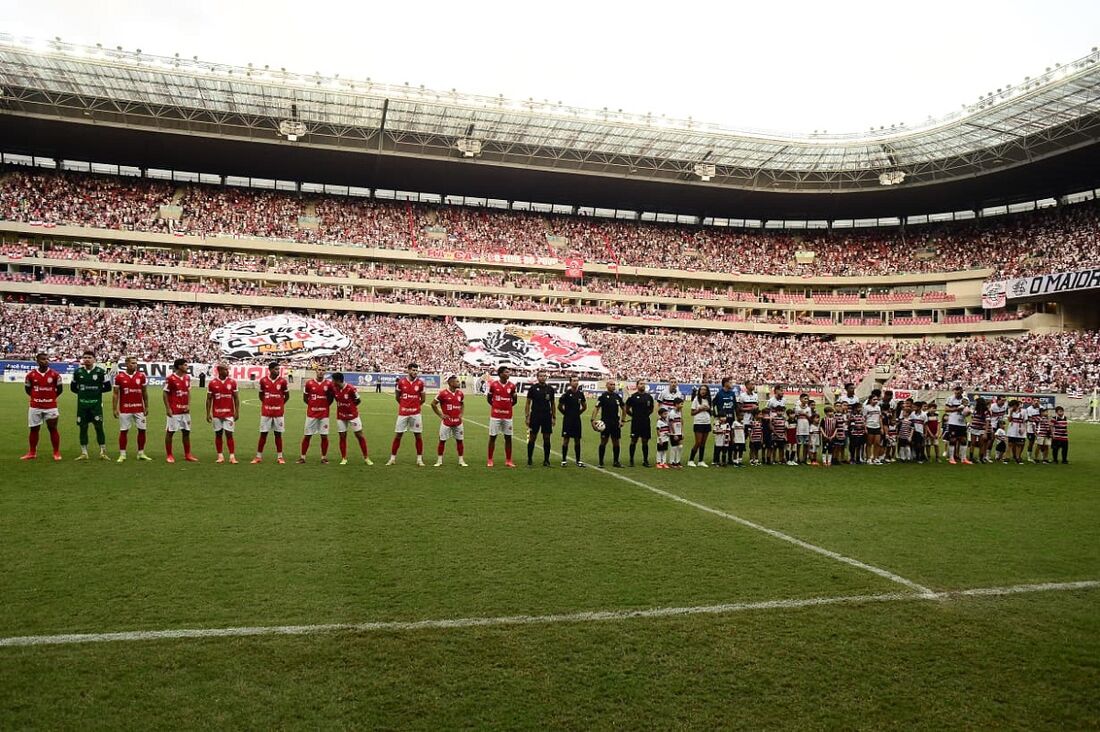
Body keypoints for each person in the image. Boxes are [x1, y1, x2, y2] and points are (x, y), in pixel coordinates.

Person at [21, 352, 63, 461]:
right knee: (34, 429)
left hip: (51, 406)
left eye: (47, 359)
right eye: (43, 359)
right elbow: (28, 390)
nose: (46, 361)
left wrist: (50, 398)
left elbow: (60, 390)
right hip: (35, 406)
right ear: (38, 361)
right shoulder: (30, 375)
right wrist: (36, 397)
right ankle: (32, 452)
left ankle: (56, 452)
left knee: (53, 428)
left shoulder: (55, 375)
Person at [70, 350, 111, 460]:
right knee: (83, 428)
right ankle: (84, 453)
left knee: (99, 427)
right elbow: (73, 387)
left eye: (89, 357)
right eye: (85, 357)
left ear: (94, 359)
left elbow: (108, 387)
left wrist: (96, 391)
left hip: (96, 405)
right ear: (82, 359)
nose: (87, 359)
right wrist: (83, 393)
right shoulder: (77, 372)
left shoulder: (101, 372)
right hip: (82, 405)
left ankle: (103, 452)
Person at [113, 355, 151, 462]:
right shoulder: (119, 377)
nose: (135, 365)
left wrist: (146, 406)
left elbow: (144, 392)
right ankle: (122, 454)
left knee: (142, 430)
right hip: (125, 409)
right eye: (132, 363)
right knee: (124, 431)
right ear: (126, 364)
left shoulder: (141, 376)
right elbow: (115, 394)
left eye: (136, 363)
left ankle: (141, 453)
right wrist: (114, 408)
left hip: (139, 408)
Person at [388, 363, 427, 466]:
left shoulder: (420, 383)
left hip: (415, 413)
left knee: (418, 436)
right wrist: (404, 405)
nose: (415, 372)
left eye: (416, 370)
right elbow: (397, 397)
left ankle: (419, 459)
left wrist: (415, 406)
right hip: (403, 413)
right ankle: (392, 458)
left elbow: (423, 399)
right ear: (408, 370)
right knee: (398, 435)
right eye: (413, 370)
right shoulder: (401, 382)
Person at [253, 362, 289, 464]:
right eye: (276, 369)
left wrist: (280, 405)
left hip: (278, 413)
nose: (278, 371)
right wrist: (266, 404)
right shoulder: (263, 381)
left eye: (279, 369)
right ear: (270, 369)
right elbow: (261, 395)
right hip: (266, 413)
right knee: (263, 434)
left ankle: (280, 457)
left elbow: (287, 396)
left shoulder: (283, 381)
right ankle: (258, 456)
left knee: (278, 435)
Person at [332, 373, 372, 465]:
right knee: (342, 436)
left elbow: (358, 400)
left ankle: (366, 458)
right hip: (341, 416)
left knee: (359, 435)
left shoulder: (351, 388)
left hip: (353, 416)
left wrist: (351, 407)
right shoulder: (334, 389)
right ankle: (344, 458)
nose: (332, 382)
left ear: (338, 380)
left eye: (333, 380)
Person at [163, 358, 197, 463]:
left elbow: (188, 392)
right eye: (185, 365)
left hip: (185, 411)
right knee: (170, 432)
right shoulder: (170, 378)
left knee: (186, 432)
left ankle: (188, 454)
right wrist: (168, 408)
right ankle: (169, 455)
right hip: (174, 410)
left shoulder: (187, 378)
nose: (187, 367)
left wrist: (188, 405)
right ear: (179, 366)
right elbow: (165, 393)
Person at [299, 366, 333, 464]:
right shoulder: (309, 383)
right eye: (319, 370)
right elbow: (305, 398)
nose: (321, 372)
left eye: (323, 370)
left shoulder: (329, 384)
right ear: (316, 371)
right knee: (307, 436)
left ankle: (323, 457)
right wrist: (312, 406)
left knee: (324, 436)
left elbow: (331, 399)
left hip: (324, 415)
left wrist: (325, 406)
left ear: (325, 372)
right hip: (311, 414)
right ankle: (302, 457)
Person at [206, 363, 240, 464]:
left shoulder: (232, 382)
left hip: (229, 414)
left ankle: (232, 456)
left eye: (227, 370)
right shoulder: (212, 383)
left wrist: (237, 411)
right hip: (217, 414)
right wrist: (208, 413)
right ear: (220, 371)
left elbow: (236, 398)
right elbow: (208, 399)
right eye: (225, 370)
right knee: (218, 434)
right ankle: (220, 456)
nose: (227, 372)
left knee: (229, 434)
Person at [431, 373, 467, 467]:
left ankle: (461, 460)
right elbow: (433, 404)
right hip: (446, 422)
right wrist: (440, 415)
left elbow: (462, 404)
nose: (459, 383)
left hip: (458, 422)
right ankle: (439, 461)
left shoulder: (460, 393)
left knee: (460, 440)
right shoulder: (443, 393)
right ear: (451, 383)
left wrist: (461, 414)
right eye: (457, 381)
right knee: (442, 440)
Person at [486, 365, 518, 468]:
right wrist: (496, 406)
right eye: (506, 372)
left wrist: (507, 407)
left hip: (508, 416)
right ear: (500, 374)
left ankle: (508, 460)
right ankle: (490, 460)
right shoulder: (494, 385)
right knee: (493, 437)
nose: (508, 374)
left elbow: (515, 400)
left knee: (508, 438)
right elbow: (489, 398)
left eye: (509, 372)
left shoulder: (512, 386)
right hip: (495, 415)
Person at [524, 370, 556, 467]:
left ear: (546, 377)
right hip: (535, 416)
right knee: (532, 437)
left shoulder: (550, 389)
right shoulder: (533, 388)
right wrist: (527, 416)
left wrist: (554, 417)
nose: (543, 377)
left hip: (546, 416)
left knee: (547, 438)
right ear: (537, 377)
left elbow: (553, 403)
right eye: (541, 376)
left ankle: (546, 460)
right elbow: (528, 403)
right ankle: (529, 459)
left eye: (544, 376)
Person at [594, 380, 626, 468]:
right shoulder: (603, 396)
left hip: (615, 423)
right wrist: (593, 419)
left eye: (614, 385)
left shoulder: (617, 396)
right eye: (611, 384)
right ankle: (600, 462)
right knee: (603, 442)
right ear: (607, 385)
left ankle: (616, 461)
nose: (613, 386)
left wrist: (622, 420)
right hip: (605, 423)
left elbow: (624, 408)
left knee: (616, 442)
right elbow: (596, 408)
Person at [557, 375, 587, 467]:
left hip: (577, 420)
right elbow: (559, 406)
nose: (576, 382)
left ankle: (578, 460)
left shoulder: (580, 394)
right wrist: (566, 414)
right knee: (566, 440)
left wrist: (578, 413)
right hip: (568, 420)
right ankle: (564, 460)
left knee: (577, 440)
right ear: (570, 383)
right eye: (574, 381)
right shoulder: (566, 394)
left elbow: (584, 406)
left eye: (577, 381)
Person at [625, 379, 655, 467]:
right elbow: (627, 409)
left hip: (645, 422)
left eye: (644, 384)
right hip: (635, 423)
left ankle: (645, 461)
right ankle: (631, 460)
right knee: (633, 440)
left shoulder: (649, 397)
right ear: (637, 385)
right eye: (641, 384)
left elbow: (651, 409)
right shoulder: (633, 397)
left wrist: (645, 415)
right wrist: (634, 416)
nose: (643, 385)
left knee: (645, 441)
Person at [687, 384, 713, 467]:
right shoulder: (696, 399)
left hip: (707, 422)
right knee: (698, 442)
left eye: (704, 389)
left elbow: (711, 413)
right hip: (698, 422)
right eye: (701, 389)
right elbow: (692, 413)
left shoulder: (709, 400)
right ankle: (691, 460)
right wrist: (700, 409)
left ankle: (701, 461)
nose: (703, 391)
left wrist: (708, 409)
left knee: (703, 443)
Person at [944, 386, 968, 465]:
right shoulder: (950, 398)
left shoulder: (965, 399)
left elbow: (966, 410)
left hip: (962, 423)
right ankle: (951, 458)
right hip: (953, 422)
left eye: (958, 392)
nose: (957, 394)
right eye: (956, 392)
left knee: (964, 440)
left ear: (961, 392)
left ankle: (963, 458)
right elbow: (946, 409)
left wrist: (967, 413)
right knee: (953, 440)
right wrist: (956, 409)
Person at [1005, 399, 1027, 464]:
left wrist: (1023, 429)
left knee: (1019, 444)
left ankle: (1017, 458)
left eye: (1012, 406)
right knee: (1010, 444)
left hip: (1020, 429)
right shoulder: (1010, 410)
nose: (1011, 407)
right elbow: (1009, 420)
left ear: (1015, 405)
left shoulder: (1023, 411)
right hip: (1012, 429)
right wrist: (1011, 412)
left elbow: (1025, 421)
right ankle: (1007, 457)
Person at [794, 393, 813, 464]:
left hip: (806, 428)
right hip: (799, 428)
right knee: (799, 444)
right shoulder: (797, 408)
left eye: (807, 399)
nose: (806, 400)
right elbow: (795, 417)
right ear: (800, 399)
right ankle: (798, 458)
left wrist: (805, 414)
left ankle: (804, 459)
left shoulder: (808, 408)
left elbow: (810, 419)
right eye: (805, 398)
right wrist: (798, 415)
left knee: (805, 445)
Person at [864, 394, 883, 464]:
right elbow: (864, 418)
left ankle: (875, 458)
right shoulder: (866, 407)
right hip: (869, 426)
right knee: (869, 443)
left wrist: (881, 428)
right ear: (870, 400)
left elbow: (880, 418)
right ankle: (868, 458)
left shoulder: (878, 408)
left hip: (877, 426)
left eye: (877, 399)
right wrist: (865, 428)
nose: (876, 401)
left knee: (877, 443)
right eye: (874, 399)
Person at [667, 396, 685, 468]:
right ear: (676, 404)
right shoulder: (672, 413)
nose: (682, 405)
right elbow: (670, 424)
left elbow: (681, 421)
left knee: (680, 447)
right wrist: (674, 434)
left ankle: (677, 461)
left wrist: (682, 432)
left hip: (679, 432)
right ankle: (671, 462)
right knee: (674, 447)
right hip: (673, 433)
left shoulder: (679, 412)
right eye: (681, 404)